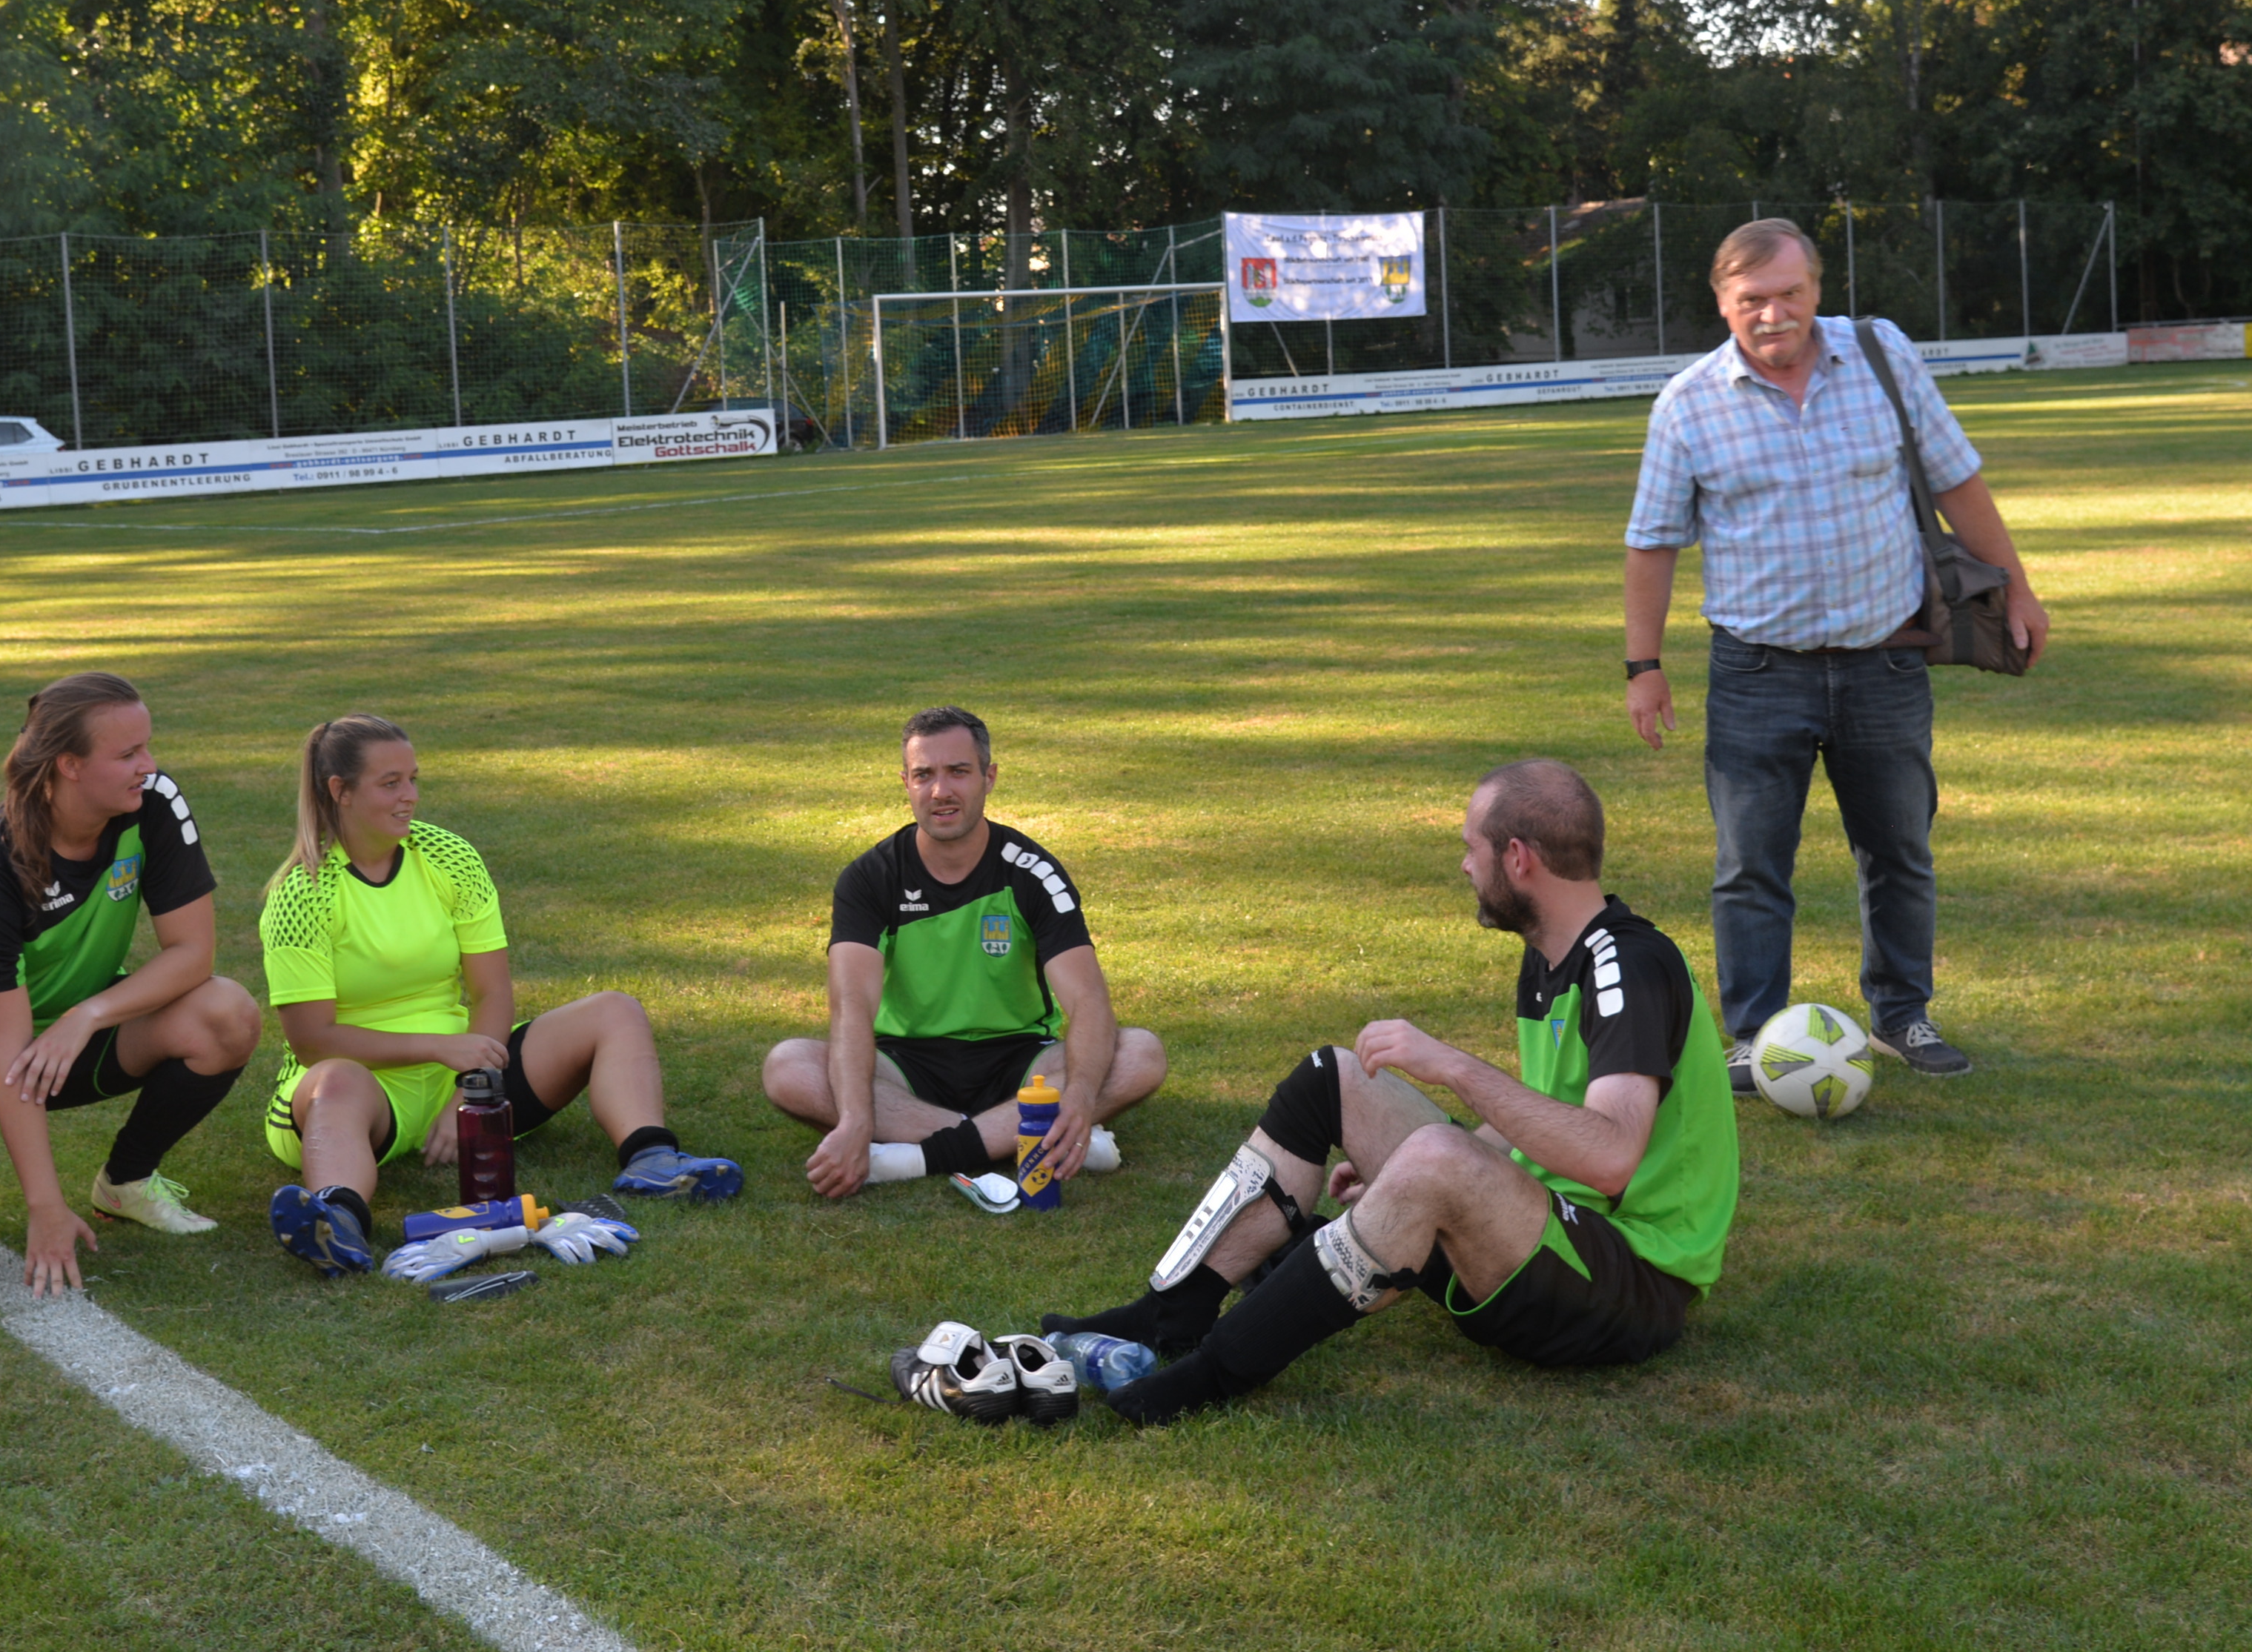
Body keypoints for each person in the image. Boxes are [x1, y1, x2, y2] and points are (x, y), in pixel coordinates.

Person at [1006, 760, 1733, 1427]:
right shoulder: (1553, 957)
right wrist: (1407, 1171)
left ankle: (1210, 1373)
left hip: (1630, 1283)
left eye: (1472, 846)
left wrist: (1453, 1070)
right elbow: (1541, 1117)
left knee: (1438, 1155)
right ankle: (1171, 1314)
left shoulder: (1627, 968)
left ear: (1519, 858)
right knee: (1338, 1074)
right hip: (1553, 1237)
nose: (1464, 863)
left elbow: (1608, 1155)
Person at [1622, 219, 2051, 1084]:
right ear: (1722, 303)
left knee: (1898, 849)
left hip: (1883, 661)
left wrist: (2021, 587)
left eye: (1790, 293)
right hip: (1756, 672)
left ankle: (1903, 1015)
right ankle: (1754, 1035)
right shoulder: (1689, 402)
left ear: (1817, 288)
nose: (1773, 313)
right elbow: (1652, 542)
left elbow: (1958, 477)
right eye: (1752, 300)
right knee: (1751, 867)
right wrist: (1645, 664)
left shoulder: (1882, 356)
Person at [259, 714, 741, 1276]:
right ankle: (338, 1221)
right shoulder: (302, 893)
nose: (410, 797)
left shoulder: (449, 857)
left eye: (414, 779)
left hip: (465, 1067)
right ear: (339, 792)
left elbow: (492, 994)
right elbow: (314, 1040)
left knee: (616, 1011)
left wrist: (470, 1094)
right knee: (337, 1079)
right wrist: (441, 1051)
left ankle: (653, 1160)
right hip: (353, 1088)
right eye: (390, 784)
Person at [0, 672, 262, 1298]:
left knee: (227, 1013)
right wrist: (44, 1208)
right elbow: (7, 1053)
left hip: (70, 1025)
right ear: (69, 766)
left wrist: (87, 1015)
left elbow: (193, 955)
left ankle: (126, 1181)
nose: (150, 766)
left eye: (148, 748)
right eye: (129, 754)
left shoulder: (154, 802)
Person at [762, 706, 1164, 1198]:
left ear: (988, 777)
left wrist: (1078, 1098)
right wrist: (852, 1117)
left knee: (1141, 1054)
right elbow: (851, 1009)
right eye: (924, 775)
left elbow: (1088, 1002)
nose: (941, 791)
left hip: (1018, 1063)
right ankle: (1021, 1138)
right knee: (788, 1066)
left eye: (958, 772)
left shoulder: (1033, 872)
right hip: (905, 1066)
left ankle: (913, 1157)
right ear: (905, 783)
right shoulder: (869, 878)